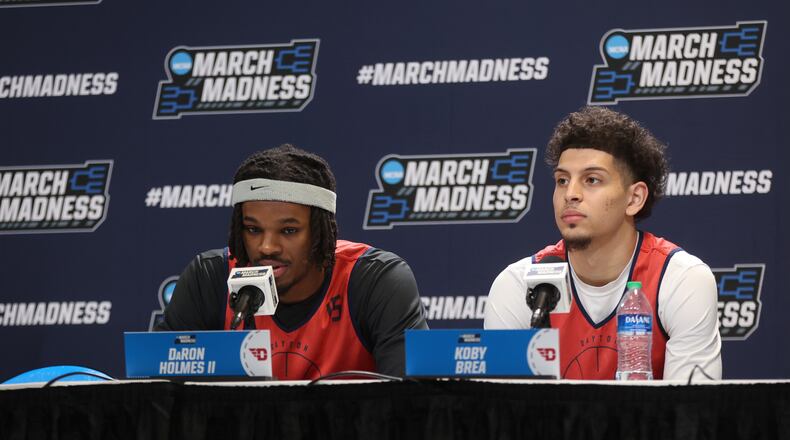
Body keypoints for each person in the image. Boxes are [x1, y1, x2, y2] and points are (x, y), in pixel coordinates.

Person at [484, 107, 722, 380]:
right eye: (562, 180)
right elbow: (500, 414)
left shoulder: (680, 279)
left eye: (592, 180)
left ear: (634, 199)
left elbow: (689, 412)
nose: (570, 194)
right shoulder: (517, 285)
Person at [156, 144, 428, 379]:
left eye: (288, 231)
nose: (266, 247)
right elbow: (157, 397)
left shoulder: (374, 280)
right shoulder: (210, 278)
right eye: (253, 229)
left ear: (321, 232)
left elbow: (410, 403)